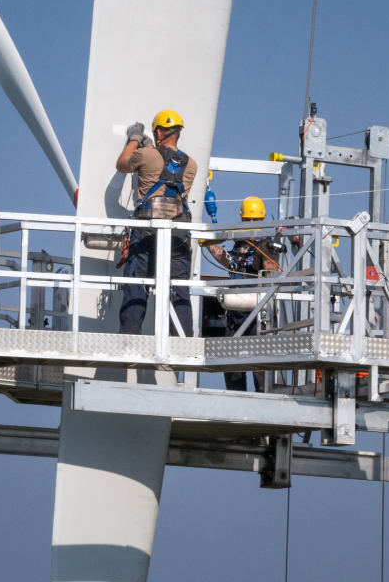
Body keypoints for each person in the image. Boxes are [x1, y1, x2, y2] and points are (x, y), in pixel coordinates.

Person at [116, 109, 197, 336]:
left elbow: (122, 164)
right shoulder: (192, 164)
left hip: (146, 232)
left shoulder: (147, 154)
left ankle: (129, 340)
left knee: (137, 285)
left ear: (159, 131)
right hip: (178, 236)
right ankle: (181, 342)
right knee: (179, 289)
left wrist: (135, 138)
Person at [207, 196, 283, 392]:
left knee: (259, 366)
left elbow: (271, 276)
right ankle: (235, 402)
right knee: (232, 366)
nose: (251, 224)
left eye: (255, 220)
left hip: (258, 314)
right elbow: (229, 263)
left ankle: (263, 404)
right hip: (235, 312)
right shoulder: (238, 242)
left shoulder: (266, 245)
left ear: (263, 219)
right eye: (248, 220)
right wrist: (209, 243)